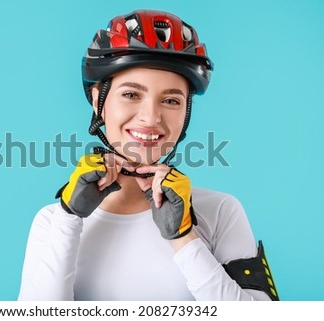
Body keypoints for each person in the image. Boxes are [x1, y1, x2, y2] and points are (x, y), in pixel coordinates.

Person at [18, 9, 279, 301]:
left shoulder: (220, 212)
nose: (151, 117)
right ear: (97, 101)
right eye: (131, 94)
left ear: (185, 112)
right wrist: (69, 217)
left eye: (170, 100)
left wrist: (184, 236)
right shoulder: (51, 221)